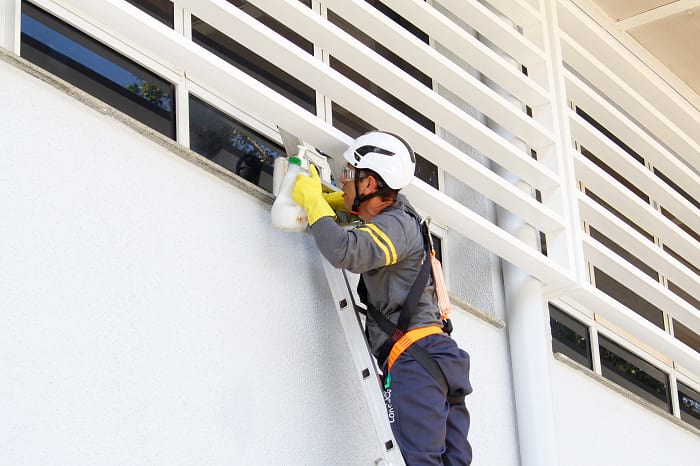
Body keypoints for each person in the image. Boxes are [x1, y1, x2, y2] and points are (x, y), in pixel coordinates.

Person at [292, 130, 473, 465]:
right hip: (437, 358)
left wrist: (312, 202)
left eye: (348, 174)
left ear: (371, 184)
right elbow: (365, 225)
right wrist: (334, 202)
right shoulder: (401, 218)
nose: (342, 181)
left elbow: (345, 251)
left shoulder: (397, 226)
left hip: (416, 361)